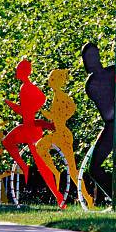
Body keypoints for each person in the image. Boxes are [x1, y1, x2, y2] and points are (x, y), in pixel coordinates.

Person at [2, 59, 66, 208]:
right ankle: (24, 166)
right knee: (7, 141)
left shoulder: (26, 88)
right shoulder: (27, 87)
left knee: (42, 166)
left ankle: (59, 197)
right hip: (28, 128)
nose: (17, 72)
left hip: (31, 130)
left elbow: (25, 110)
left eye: (19, 70)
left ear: (24, 72)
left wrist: (9, 104)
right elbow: (37, 102)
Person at [36, 69, 95, 209]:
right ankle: (55, 172)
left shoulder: (61, 96)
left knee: (73, 171)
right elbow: (57, 115)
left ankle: (88, 198)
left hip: (62, 135)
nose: (49, 81)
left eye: (52, 79)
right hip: (58, 133)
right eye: (49, 78)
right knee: (40, 147)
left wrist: (51, 115)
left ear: (57, 81)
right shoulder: (57, 95)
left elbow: (70, 109)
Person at [81, 43, 115, 196]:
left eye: (94, 55)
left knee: (94, 168)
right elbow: (108, 113)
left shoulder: (113, 71)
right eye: (89, 57)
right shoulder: (92, 83)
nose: (93, 59)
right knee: (93, 168)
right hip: (113, 125)